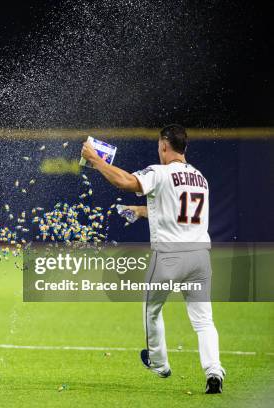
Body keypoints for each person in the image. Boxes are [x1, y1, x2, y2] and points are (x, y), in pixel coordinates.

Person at [80, 124, 225, 394]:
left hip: (169, 257)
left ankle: (159, 363)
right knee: (204, 321)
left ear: (164, 146)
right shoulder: (200, 178)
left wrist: (96, 160)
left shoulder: (159, 172)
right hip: (200, 258)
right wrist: (142, 210)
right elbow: (178, 213)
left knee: (152, 310)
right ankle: (213, 370)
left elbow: (124, 182)